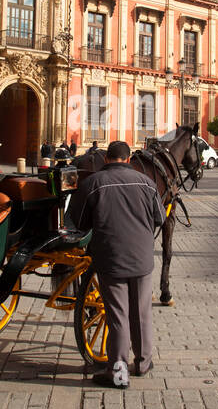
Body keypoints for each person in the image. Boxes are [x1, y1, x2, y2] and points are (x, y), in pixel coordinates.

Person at [67, 140, 165, 389]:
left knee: (118, 315)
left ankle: (119, 372)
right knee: (142, 311)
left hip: (111, 258)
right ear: (129, 159)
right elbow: (160, 218)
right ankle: (143, 363)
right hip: (142, 258)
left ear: (107, 159)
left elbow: (78, 223)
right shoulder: (148, 183)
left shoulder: (92, 184)